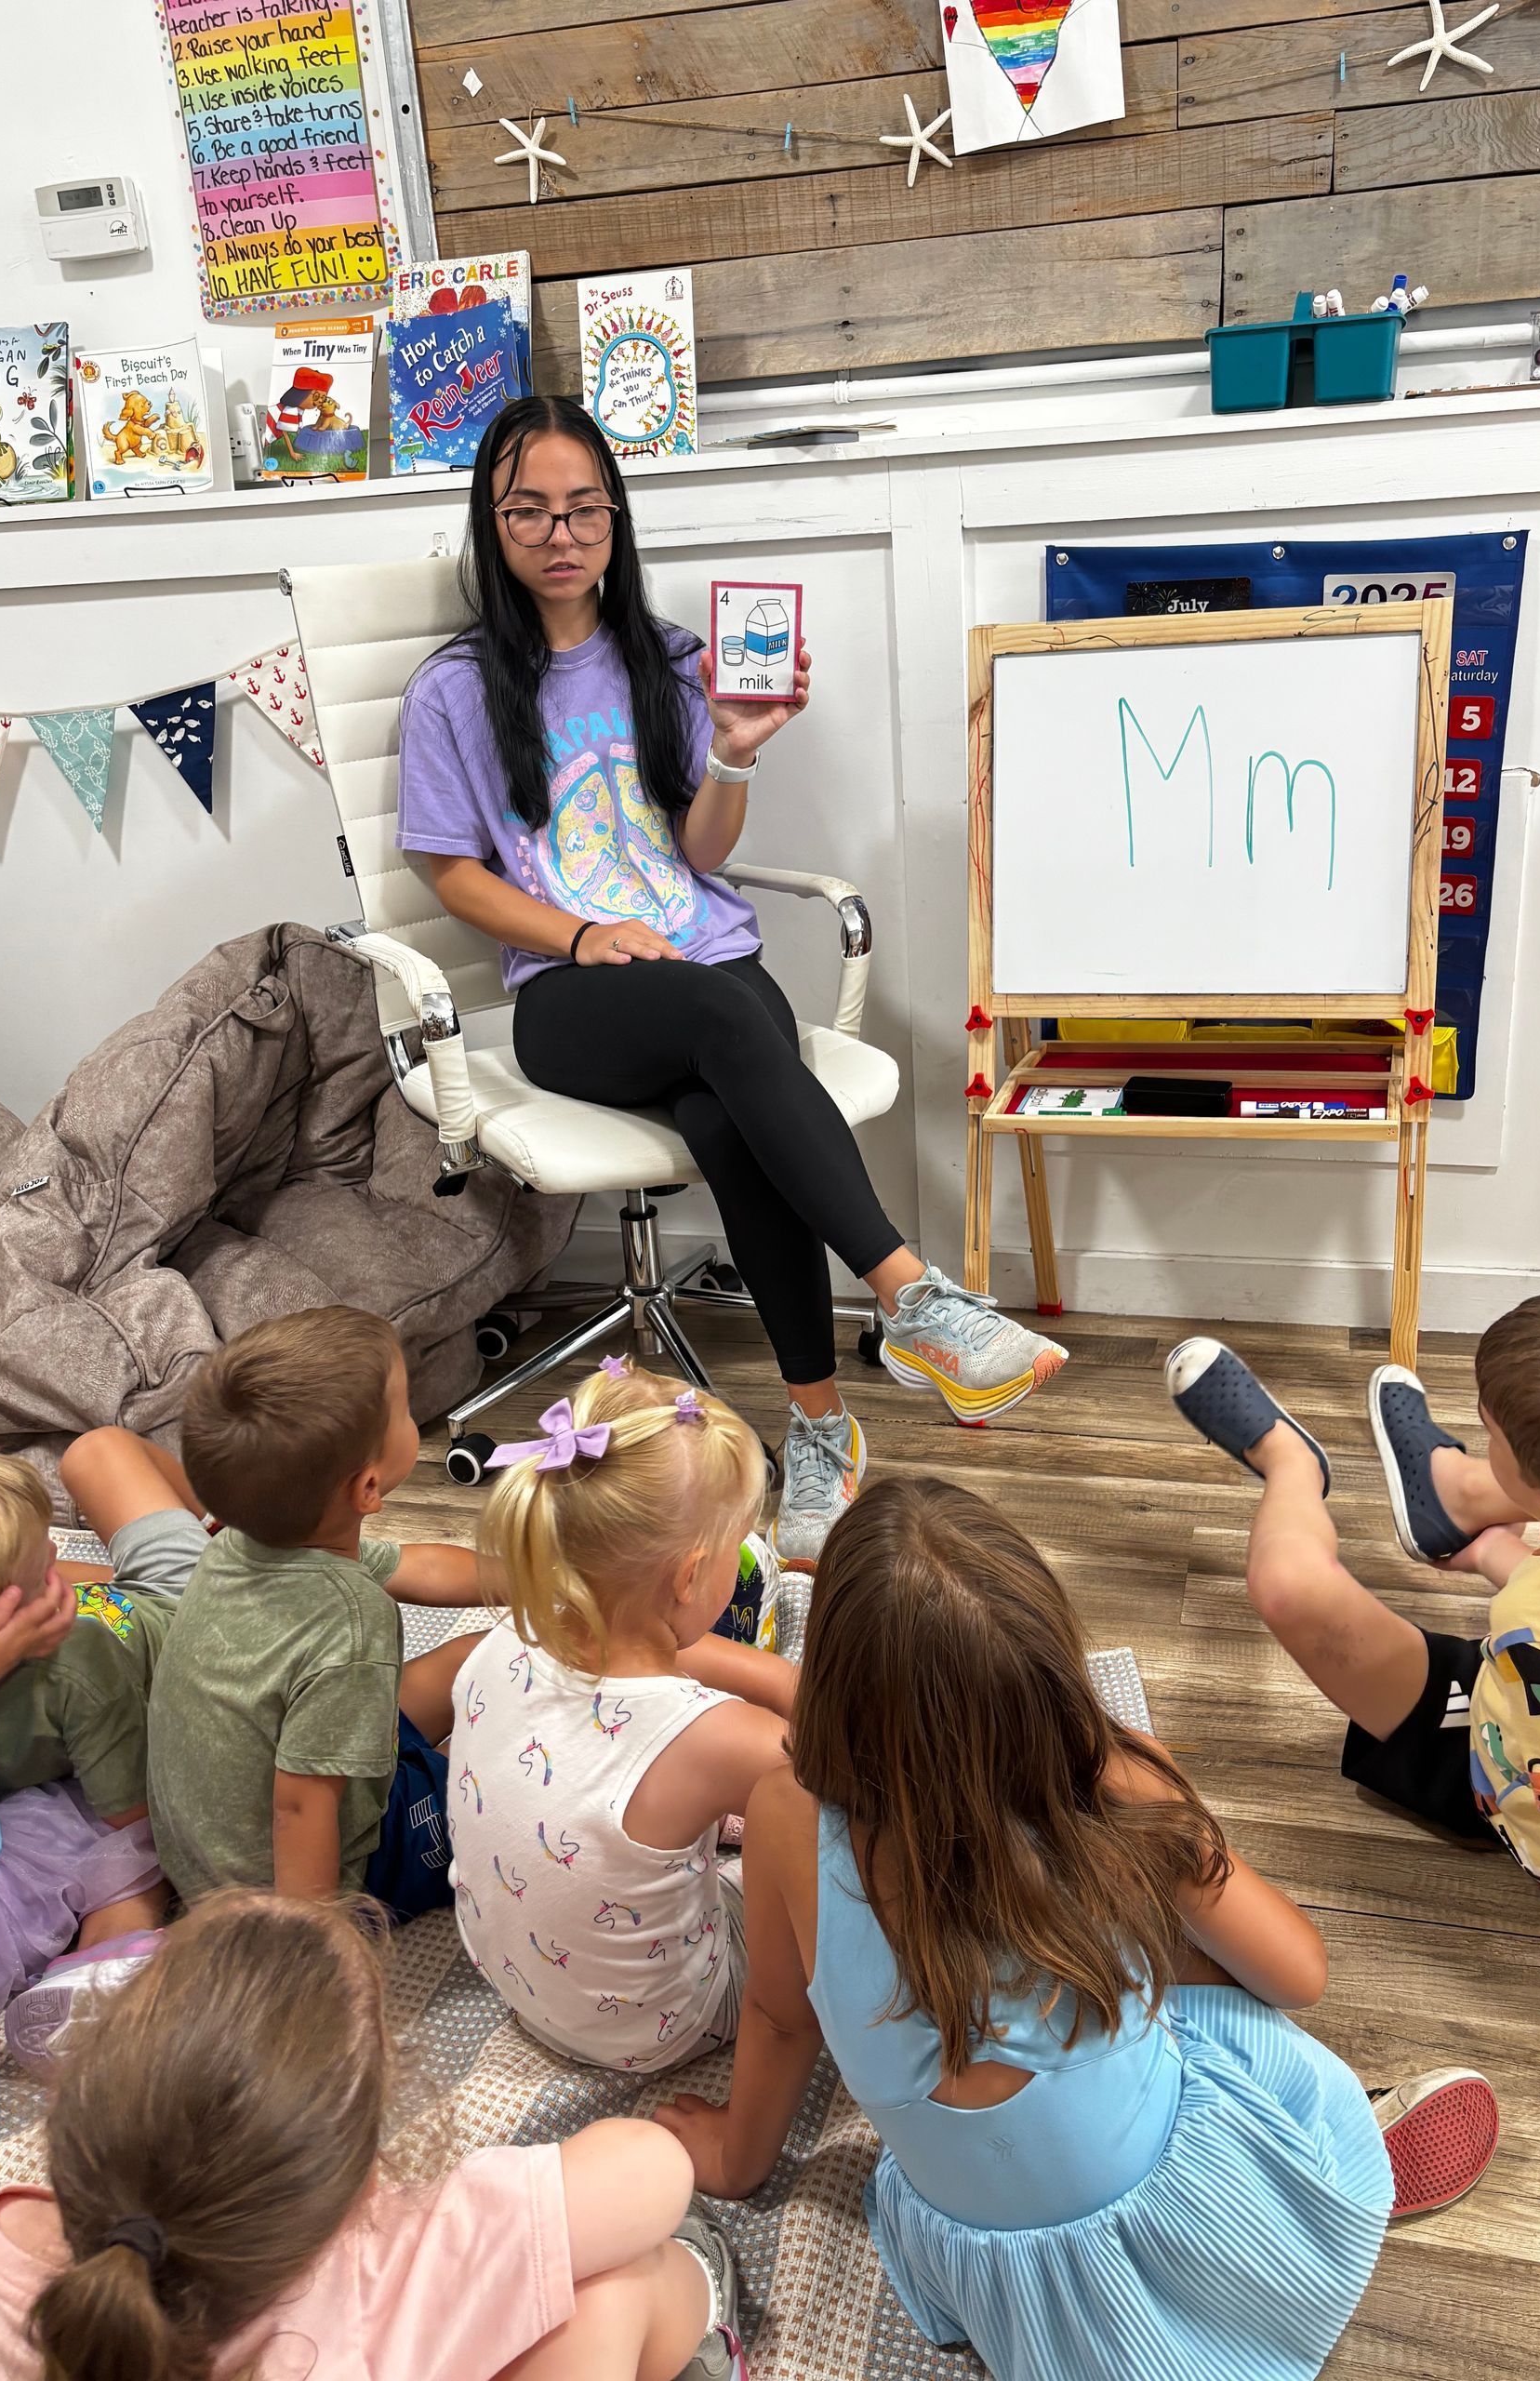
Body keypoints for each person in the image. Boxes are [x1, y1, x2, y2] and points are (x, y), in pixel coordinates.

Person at [395, 392, 1067, 1568]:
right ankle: (911, 1298)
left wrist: (734, 752)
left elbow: (699, 857)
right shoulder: (454, 690)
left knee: (724, 1105)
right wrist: (577, 933)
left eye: (585, 511)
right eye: (530, 512)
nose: (561, 535)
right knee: (723, 1012)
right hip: (572, 996)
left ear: (616, 520)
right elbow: (450, 871)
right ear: (491, 524)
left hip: (709, 967)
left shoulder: (671, 659)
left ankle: (821, 1430)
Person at [656, 1477, 1495, 2381]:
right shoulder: (1119, 1778)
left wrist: (738, 2159)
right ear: (1049, 1664)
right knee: (1189, 1954)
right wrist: (1168, 1810)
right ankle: (1309, 2177)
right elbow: (1299, 1974)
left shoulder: (782, 1811)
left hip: (1004, 2279)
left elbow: (782, 2020)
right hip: (1188, 2211)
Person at [1166, 1289, 1540, 2176]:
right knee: (1522, 1582)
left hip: (1511, 1770)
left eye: (1489, 1434)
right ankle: (1451, 1510)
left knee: (1290, 1591)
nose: (1485, 1432)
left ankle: (1288, 1466)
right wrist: (1510, 1561)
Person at [0, 1890, 748, 2381]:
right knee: (622, 2285)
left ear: (77, 2110)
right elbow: (657, 2171)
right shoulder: (395, 2258)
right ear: (358, 2187)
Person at [450, 1361, 794, 2072]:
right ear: (691, 1576)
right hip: (658, 2030)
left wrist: (782, 1679)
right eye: (737, 1547)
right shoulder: (728, 1738)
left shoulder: (501, 1638)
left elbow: (660, 1665)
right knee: (836, 1848)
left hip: (515, 1982)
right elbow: (855, 1770)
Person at [144, 1306, 489, 1918]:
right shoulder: (352, 1622)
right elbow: (301, 1806)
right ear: (368, 1490)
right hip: (325, 1873)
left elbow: (423, 1567)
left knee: (480, 1655)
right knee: (518, 1792)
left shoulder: (241, 1538)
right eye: (406, 1411)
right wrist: (308, 1952)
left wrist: (542, 1577)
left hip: (209, 1849)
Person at [0, 1452, 165, 2053]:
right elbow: (134, 1817)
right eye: (38, 1578)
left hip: (162, 1608)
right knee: (133, 1840)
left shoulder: (74, 1661)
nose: (56, 1561)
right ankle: (108, 1981)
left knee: (102, 1459)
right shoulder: (64, 1673)